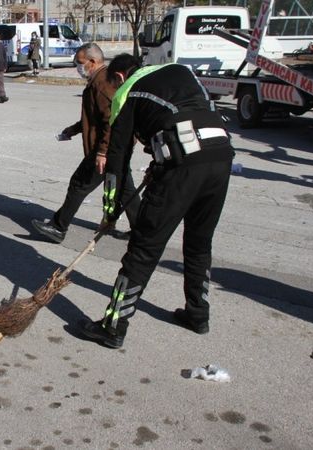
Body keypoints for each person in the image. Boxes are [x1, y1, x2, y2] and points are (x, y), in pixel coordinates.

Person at [79, 54, 234, 349]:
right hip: (220, 157)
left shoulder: (127, 93)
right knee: (199, 243)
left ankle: (113, 327)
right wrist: (159, 163)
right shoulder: (180, 72)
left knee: (143, 250)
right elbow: (182, 118)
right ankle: (198, 314)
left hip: (181, 168)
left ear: (120, 77)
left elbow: (117, 162)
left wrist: (110, 211)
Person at [32, 43, 140, 244]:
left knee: (79, 185)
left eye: (80, 63)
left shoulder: (102, 83)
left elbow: (111, 121)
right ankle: (141, 231)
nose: (78, 67)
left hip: (107, 148)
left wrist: (102, 152)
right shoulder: (100, 79)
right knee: (125, 188)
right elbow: (94, 118)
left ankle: (58, 227)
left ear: (92, 61)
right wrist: (73, 130)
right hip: (117, 147)